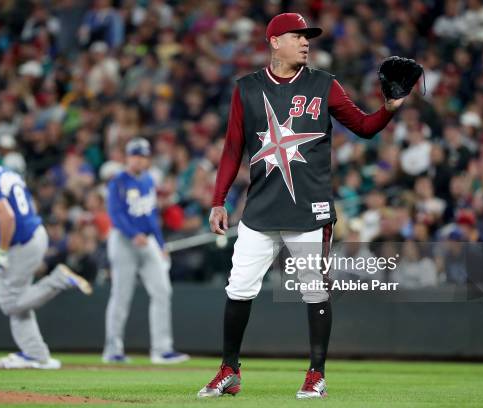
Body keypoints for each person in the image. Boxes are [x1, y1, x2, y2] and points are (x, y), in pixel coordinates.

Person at [198, 13, 408, 399]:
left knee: (315, 291)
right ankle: (229, 369)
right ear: (275, 41)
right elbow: (232, 148)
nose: (306, 42)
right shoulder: (247, 88)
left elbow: (363, 127)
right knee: (239, 289)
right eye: (298, 36)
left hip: (308, 210)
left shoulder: (323, 84)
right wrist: (218, 201)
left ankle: (316, 374)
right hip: (259, 209)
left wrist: (389, 109)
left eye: (308, 37)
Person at [0, 140, 93, 369]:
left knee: (9, 303)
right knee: (19, 301)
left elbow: (7, 217)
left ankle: (58, 280)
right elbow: (22, 204)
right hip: (35, 233)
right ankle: (36, 354)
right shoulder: (6, 172)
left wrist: (2, 250)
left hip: (20, 242)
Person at [103, 138, 189, 364]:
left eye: (143, 155)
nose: (140, 159)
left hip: (147, 240)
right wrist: (133, 234)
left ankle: (161, 350)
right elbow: (115, 213)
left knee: (162, 291)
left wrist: (161, 245)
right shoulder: (119, 181)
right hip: (123, 240)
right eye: (136, 155)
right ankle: (113, 349)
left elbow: (151, 216)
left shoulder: (148, 180)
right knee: (121, 295)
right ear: (128, 157)